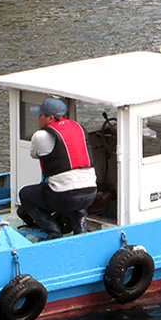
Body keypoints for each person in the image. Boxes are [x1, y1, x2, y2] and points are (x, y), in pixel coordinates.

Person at [18, 98, 97, 240]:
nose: (38, 118)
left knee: (26, 195)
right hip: (91, 193)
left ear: (51, 118)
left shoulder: (41, 136)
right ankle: (80, 228)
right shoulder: (79, 128)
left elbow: (34, 154)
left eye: (41, 114)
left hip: (64, 196)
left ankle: (54, 232)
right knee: (74, 189)